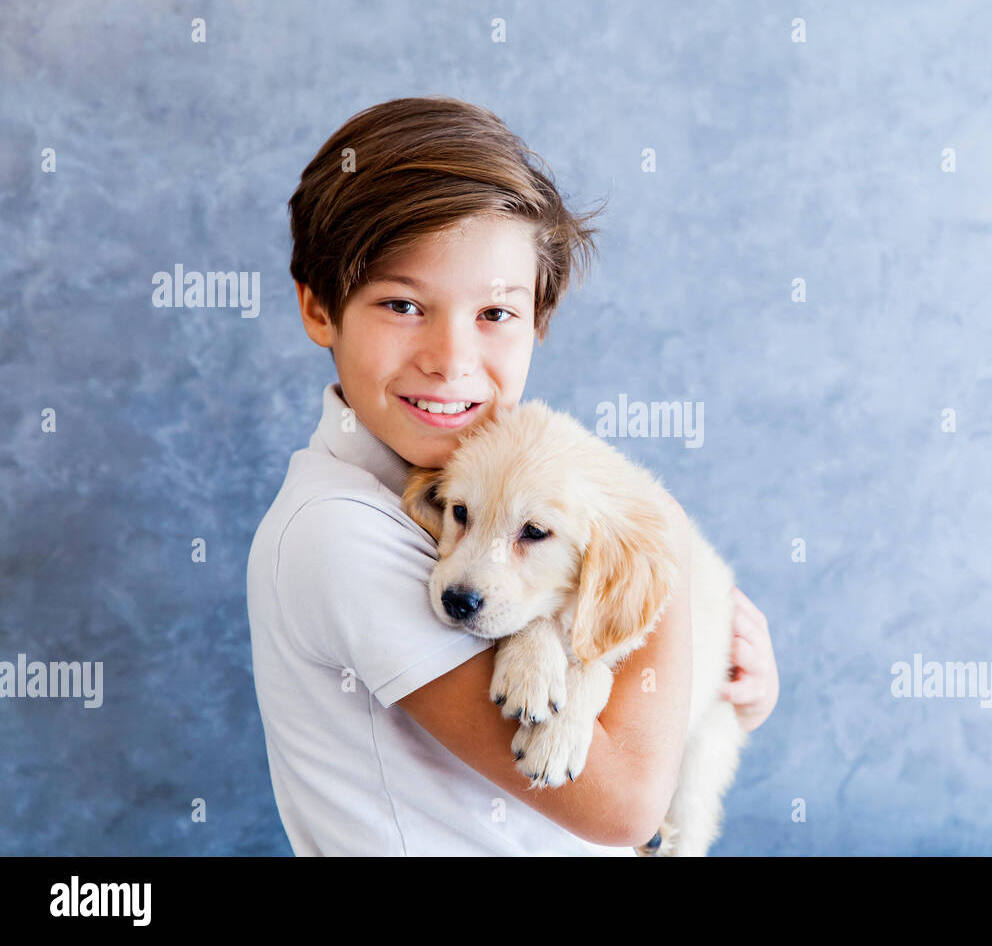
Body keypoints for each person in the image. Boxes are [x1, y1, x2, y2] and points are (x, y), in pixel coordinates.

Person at [247, 96, 778, 856]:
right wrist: (672, 555)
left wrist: (714, 694)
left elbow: (606, 671)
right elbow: (626, 802)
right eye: (403, 303)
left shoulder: (502, 476)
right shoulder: (339, 534)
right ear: (319, 309)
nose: (451, 358)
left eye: (495, 314)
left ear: (539, 320)